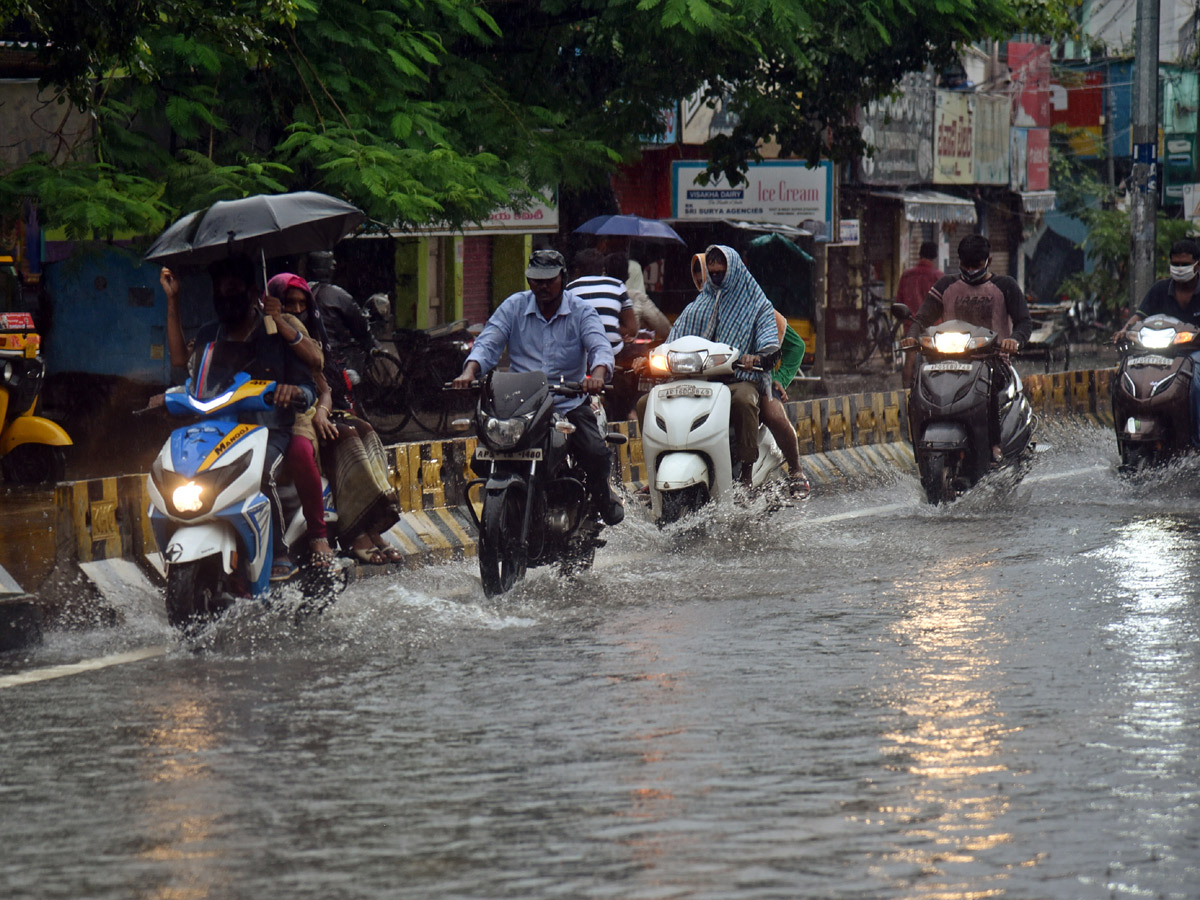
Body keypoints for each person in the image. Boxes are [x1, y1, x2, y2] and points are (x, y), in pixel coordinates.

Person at [160, 256, 317, 581]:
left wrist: (294, 393)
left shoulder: (276, 333)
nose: (225, 299)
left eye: (233, 291)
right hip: (214, 430)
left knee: (260, 475)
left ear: (252, 293)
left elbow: (309, 385)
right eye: (220, 292)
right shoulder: (209, 334)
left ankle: (280, 550)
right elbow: (179, 362)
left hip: (268, 430)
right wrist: (172, 300)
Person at [451, 248, 624, 526]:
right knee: (483, 454)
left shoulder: (581, 311)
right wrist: (469, 371)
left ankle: (603, 496)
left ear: (563, 279)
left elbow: (600, 347)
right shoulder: (514, 306)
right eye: (536, 280)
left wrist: (597, 375)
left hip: (567, 405)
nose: (542, 286)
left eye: (549, 280)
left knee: (594, 451)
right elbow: (488, 343)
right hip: (522, 406)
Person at [268, 273, 403, 567]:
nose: (295, 309)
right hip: (276, 415)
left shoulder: (303, 333)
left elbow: (323, 384)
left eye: (301, 304)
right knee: (344, 438)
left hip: (312, 409)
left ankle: (370, 526)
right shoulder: (264, 331)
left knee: (364, 429)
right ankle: (353, 532)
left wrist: (322, 412)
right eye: (288, 303)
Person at [638, 245, 781, 487]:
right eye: (712, 273)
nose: (715, 277)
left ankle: (746, 472)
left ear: (733, 271)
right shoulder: (698, 305)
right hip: (692, 381)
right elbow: (673, 340)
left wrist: (756, 357)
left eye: (721, 273)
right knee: (646, 403)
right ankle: (654, 471)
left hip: (736, 380)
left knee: (744, 401)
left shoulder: (758, 306)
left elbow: (769, 342)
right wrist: (649, 358)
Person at [902, 234, 1031, 463]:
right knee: (918, 385)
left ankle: (994, 444)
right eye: (966, 265)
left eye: (977, 265)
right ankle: (918, 444)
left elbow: (1024, 322)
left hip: (992, 359)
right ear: (958, 262)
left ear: (988, 261)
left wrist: (1015, 340)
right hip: (947, 360)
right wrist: (912, 337)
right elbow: (921, 319)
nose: (971, 270)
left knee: (989, 386)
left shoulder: (1005, 286)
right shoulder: (946, 286)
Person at [1112, 238, 1200, 444]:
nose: (1179, 269)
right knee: (1123, 374)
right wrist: (1125, 330)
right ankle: (1123, 437)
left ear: (1198, 265)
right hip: (1162, 354)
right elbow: (1139, 317)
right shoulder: (1160, 289)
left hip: (1194, 353)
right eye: (1175, 264)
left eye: (1184, 264)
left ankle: (1197, 438)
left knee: (1197, 381)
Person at [307, 250, 376, 400]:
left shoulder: (300, 292)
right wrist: (369, 342)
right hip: (333, 356)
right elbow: (358, 324)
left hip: (307, 354)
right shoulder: (337, 295)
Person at [760, 309, 810, 495]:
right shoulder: (699, 308)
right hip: (713, 383)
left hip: (757, 380)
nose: (701, 279)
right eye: (695, 276)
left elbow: (796, 346)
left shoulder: (754, 304)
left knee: (772, 413)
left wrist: (780, 378)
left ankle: (795, 469)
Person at [568, 248, 637, 352]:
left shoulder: (570, 289)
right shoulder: (617, 285)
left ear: (577, 271)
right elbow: (632, 330)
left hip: (582, 355)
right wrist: (611, 329)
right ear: (603, 270)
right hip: (613, 352)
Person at [607, 252, 671, 340]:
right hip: (627, 349)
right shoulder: (636, 296)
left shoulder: (594, 295)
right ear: (627, 274)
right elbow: (664, 328)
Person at [896, 241, 943, 315]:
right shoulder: (938, 276)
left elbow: (900, 301)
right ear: (935, 256)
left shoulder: (906, 275)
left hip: (911, 324)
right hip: (934, 324)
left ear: (920, 254)